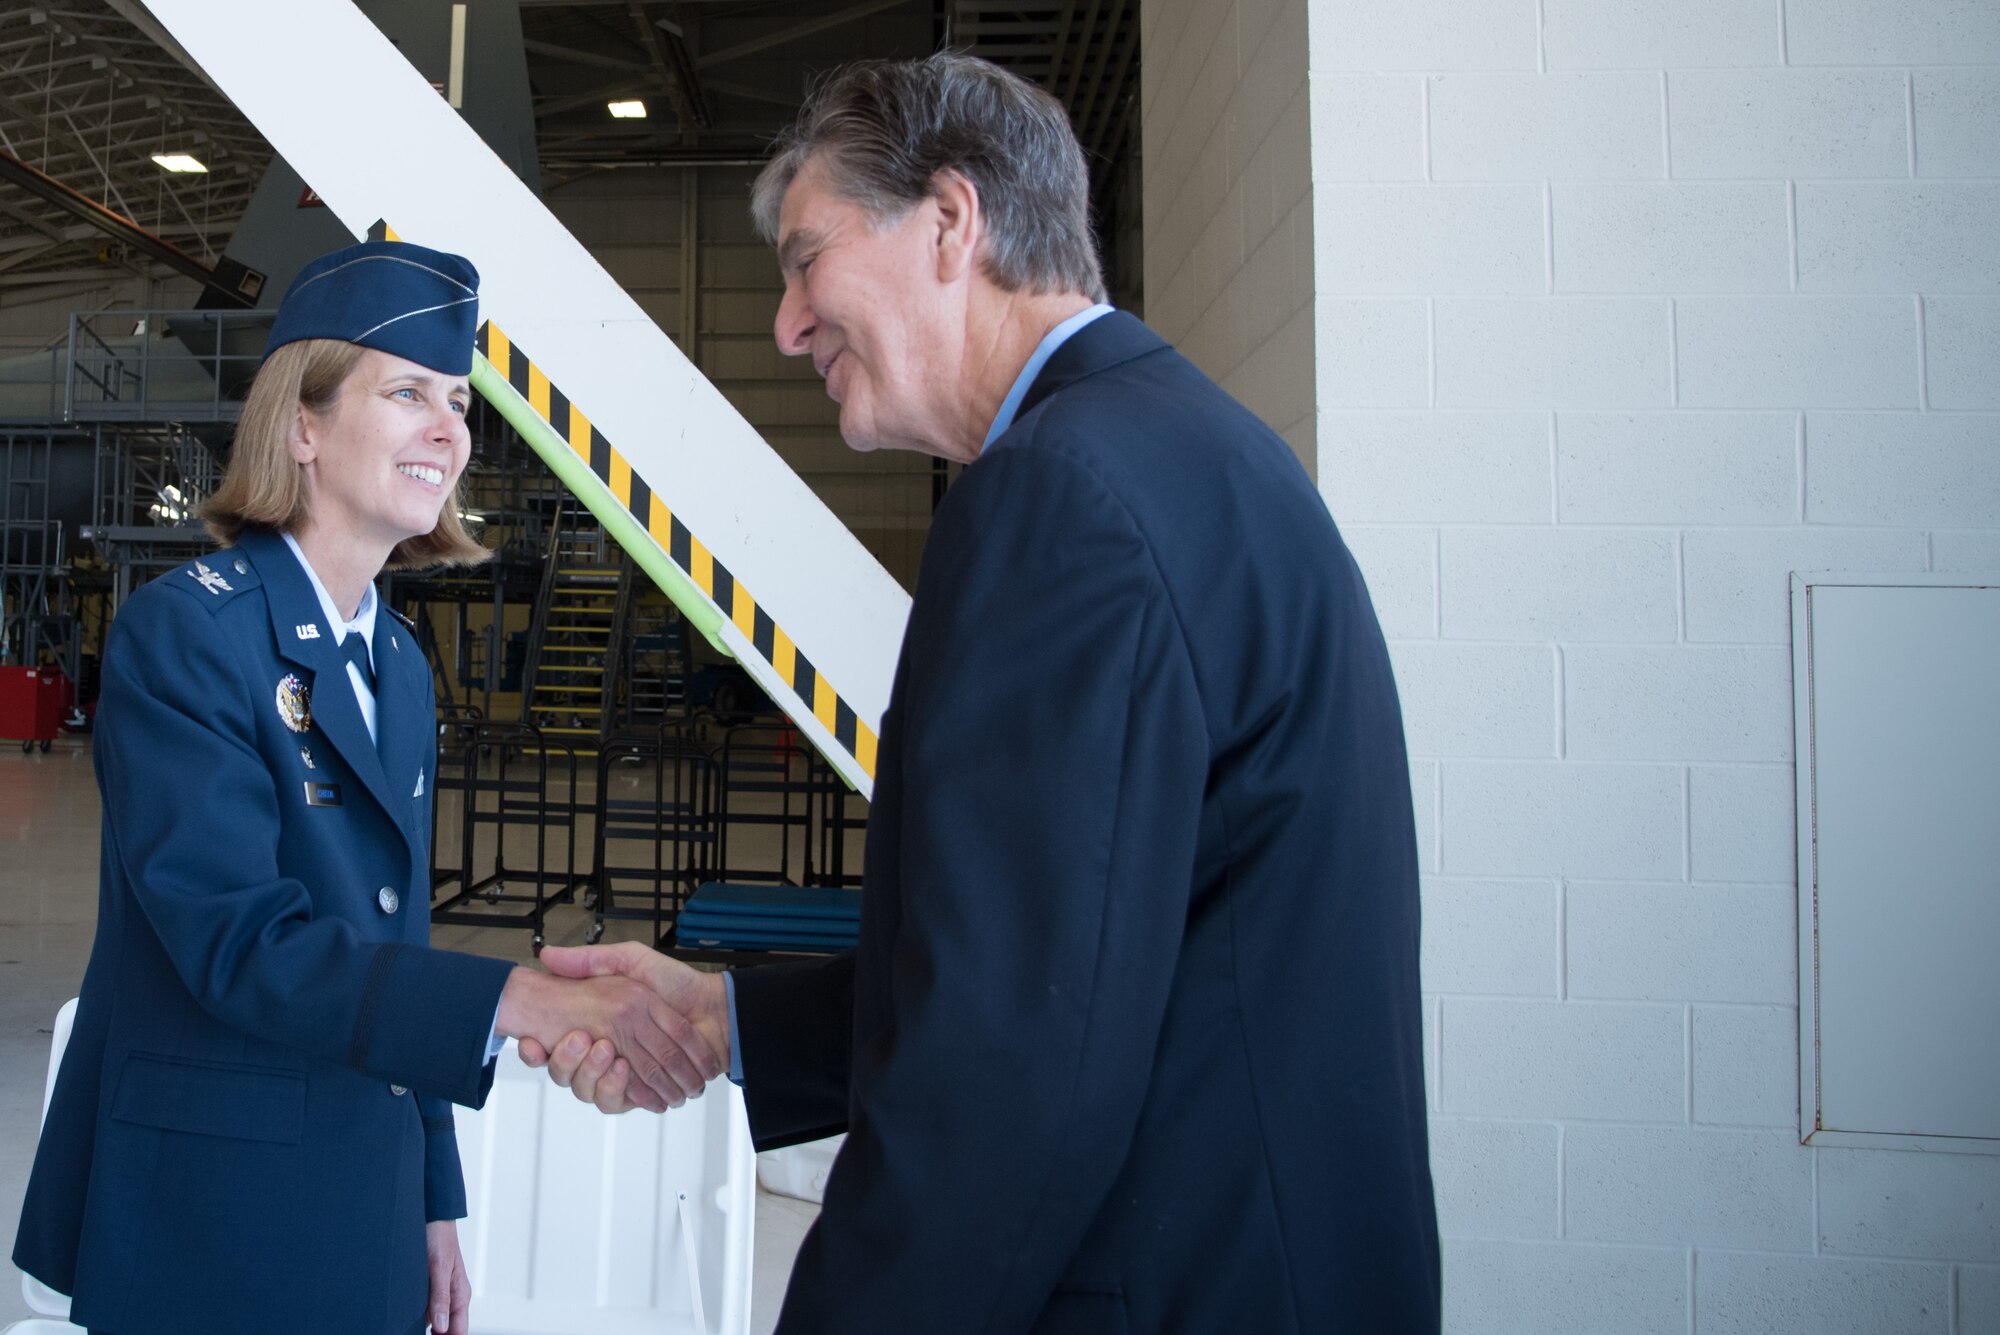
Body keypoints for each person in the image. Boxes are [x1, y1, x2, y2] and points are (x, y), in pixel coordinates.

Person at [527, 51, 1439, 1331]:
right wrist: (725, 1018)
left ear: (949, 221)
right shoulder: (1197, 455)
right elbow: (1087, 963)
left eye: (804, 260)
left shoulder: (1058, 496)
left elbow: (1009, 1071)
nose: (787, 324)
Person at [12, 240, 722, 1335]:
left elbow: (392, 935)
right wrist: (522, 998)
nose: (451, 428)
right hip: (217, 1204)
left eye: (458, 401)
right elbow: (238, 941)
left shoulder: (391, 661)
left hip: (364, 1175)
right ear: (302, 424)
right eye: (408, 394)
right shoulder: (187, 635)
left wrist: (435, 1196)